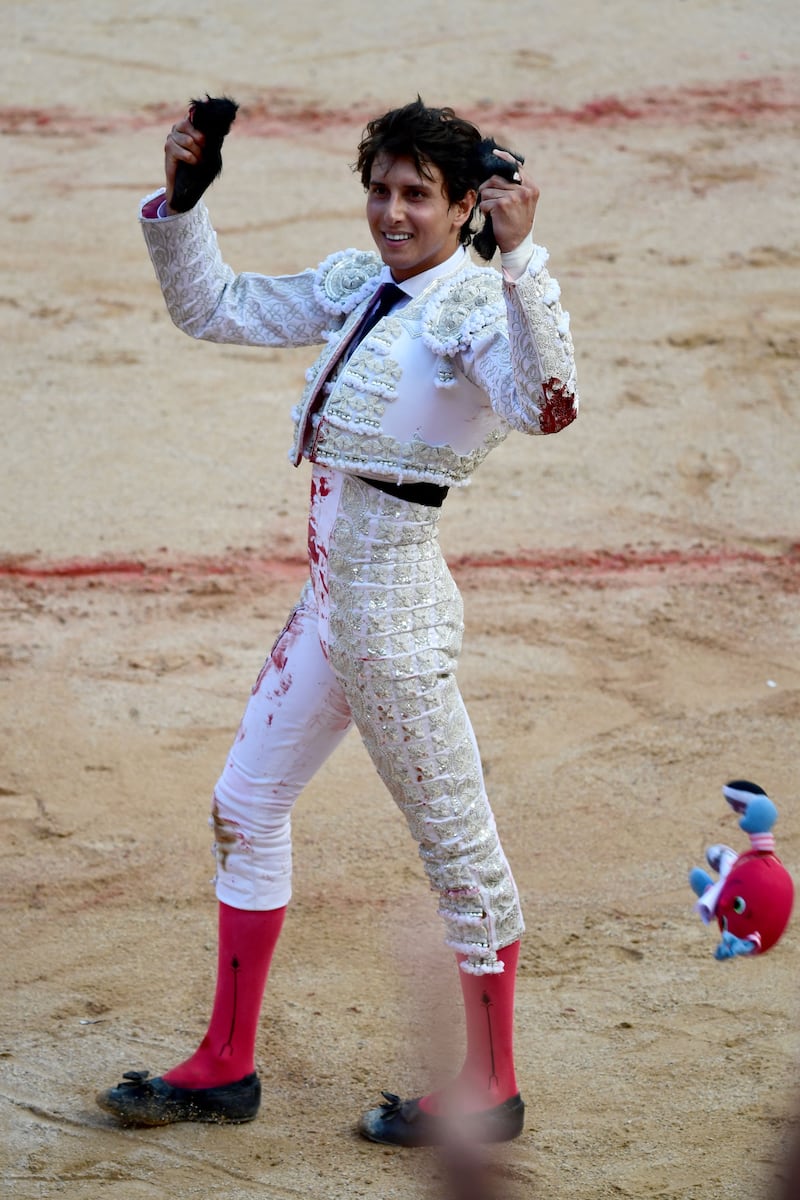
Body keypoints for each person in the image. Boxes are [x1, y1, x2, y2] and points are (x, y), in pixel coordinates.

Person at [97, 97, 579, 1147]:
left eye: (417, 195)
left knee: (458, 850)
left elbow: (547, 403)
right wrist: (184, 203)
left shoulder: (472, 309)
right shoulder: (360, 282)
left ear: (464, 209)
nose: (391, 212)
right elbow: (214, 308)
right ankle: (225, 1064)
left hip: (394, 620)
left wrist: (522, 261)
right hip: (330, 606)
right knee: (243, 805)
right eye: (380, 189)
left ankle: (489, 1087)